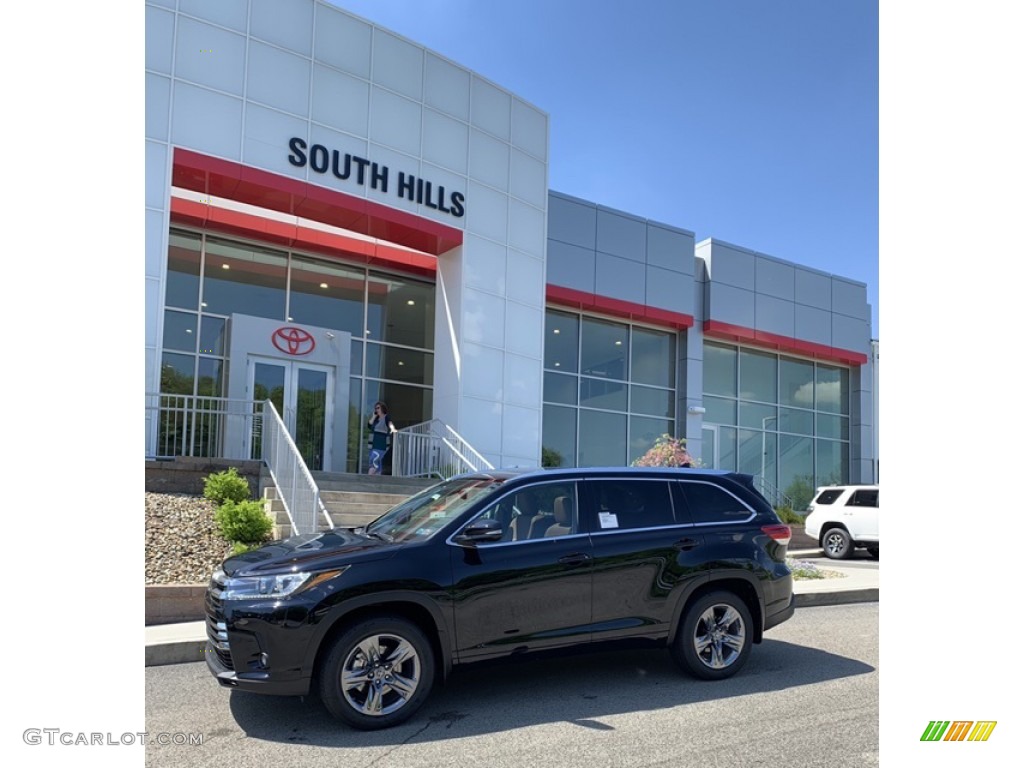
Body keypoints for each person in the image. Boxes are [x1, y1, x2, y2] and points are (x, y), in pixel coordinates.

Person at [366, 401, 397, 475]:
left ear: (382, 408)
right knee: (378, 465)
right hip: (373, 445)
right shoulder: (375, 419)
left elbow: (390, 424)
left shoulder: (386, 418)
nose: (376, 410)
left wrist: (393, 429)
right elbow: (369, 425)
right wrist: (373, 416)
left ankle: (367, 479)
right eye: (375, 408)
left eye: (378, 408)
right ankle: (376, 482)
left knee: (373, 462)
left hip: (380, 446)